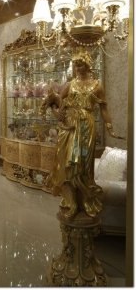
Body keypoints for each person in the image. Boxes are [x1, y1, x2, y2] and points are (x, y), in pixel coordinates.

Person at [40, 49, 124, 219]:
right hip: (71, 128)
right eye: (75, 64)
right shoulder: (70, 85)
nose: (77, 67)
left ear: (87, 64)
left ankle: (85, 201)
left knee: (83, 164)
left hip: (87, 128)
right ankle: (71, 203)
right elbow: (58, 104)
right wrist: (57, 114)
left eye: (80, 63)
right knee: (70, 164)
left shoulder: (97, 85)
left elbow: (104, 109)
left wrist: (110, 128)